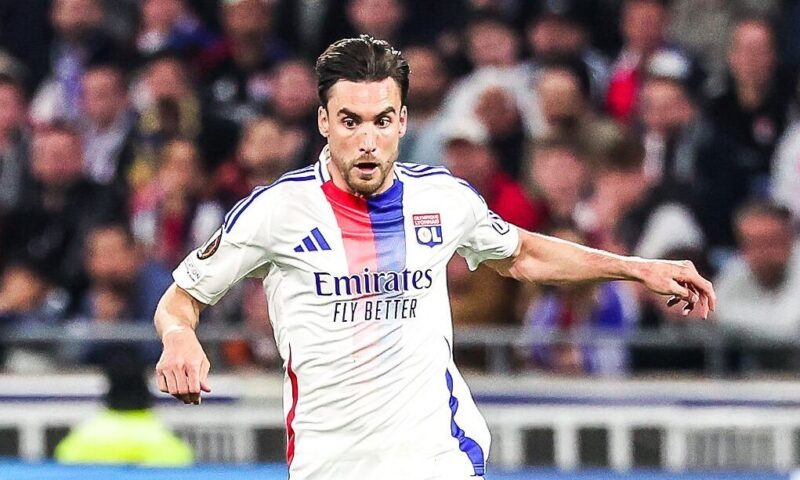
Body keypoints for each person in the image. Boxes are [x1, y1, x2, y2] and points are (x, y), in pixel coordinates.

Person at [154, 35, 715, 480]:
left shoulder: (442, 198)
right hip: (330, 465)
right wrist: (179, 337)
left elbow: (523, 254)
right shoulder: (277, 211)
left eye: (382, 120)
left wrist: (638, 268)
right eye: (350, 121)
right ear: (324, 122)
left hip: (438, 457)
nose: (367, 140)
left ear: (402, 121)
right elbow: (180, 300)